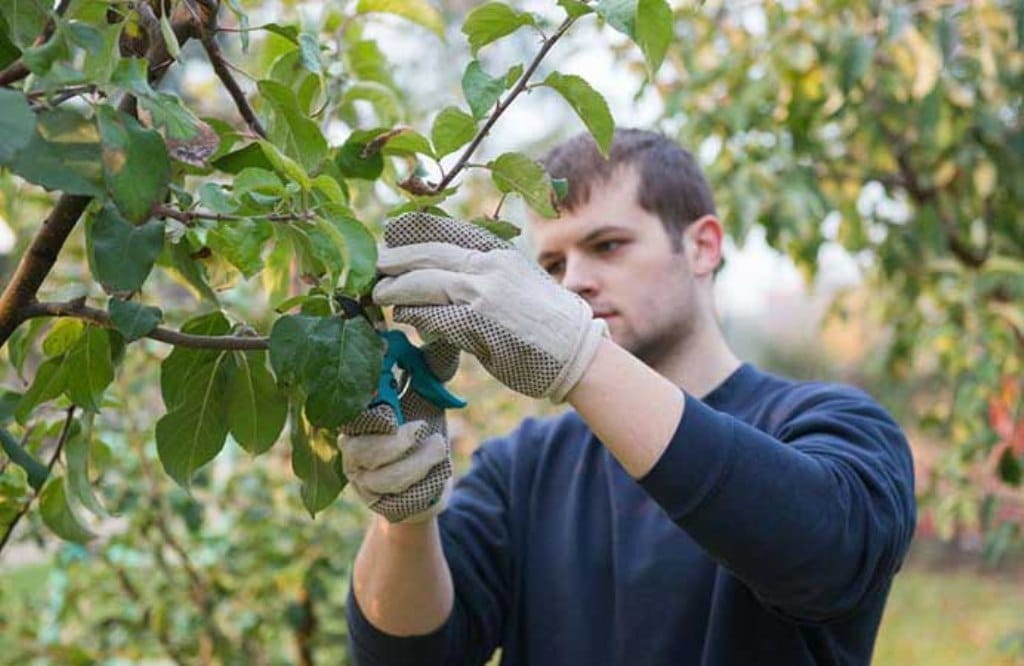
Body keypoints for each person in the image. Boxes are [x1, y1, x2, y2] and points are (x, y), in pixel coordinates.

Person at [338, 128, 917, 665]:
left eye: (608, 245)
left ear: (703, 247)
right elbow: (408, 654)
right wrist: (405, 520)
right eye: (553, 264)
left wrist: (580, 356)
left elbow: (827, 559)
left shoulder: (834, 424)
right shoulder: (522, 467)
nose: (574, 282)